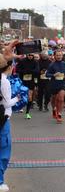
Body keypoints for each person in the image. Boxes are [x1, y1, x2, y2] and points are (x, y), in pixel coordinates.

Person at [0, 52, 20, 192]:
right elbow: (7, 104)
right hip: (2, 119)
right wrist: (18, 98)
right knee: (3, 150)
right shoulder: (4, 80)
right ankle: (0, 181)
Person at [46, 50, 65, 124]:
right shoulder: (51, 65)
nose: (59, 56)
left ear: (62, 56)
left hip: (62, 84)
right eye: (57, 55)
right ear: (54, 56)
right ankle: (54, 109)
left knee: (61, 99)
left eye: (60, 55)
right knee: (54, 99)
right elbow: (47, 74)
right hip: (54, 84)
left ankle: (59, 114)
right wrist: (53, 75)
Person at [16, 54, 39, 119]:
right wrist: (24, 72)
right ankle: (20, 107)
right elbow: (17, 70)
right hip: (22, 81)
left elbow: (37, 70)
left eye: (32, 55)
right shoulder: (22, 61)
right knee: (21, 96)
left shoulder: (35, 62)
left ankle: (27, 112)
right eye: (29, 55)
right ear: (27, 55)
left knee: (29, 97)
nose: (30, 56)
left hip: (31, 81)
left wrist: (30, 72)